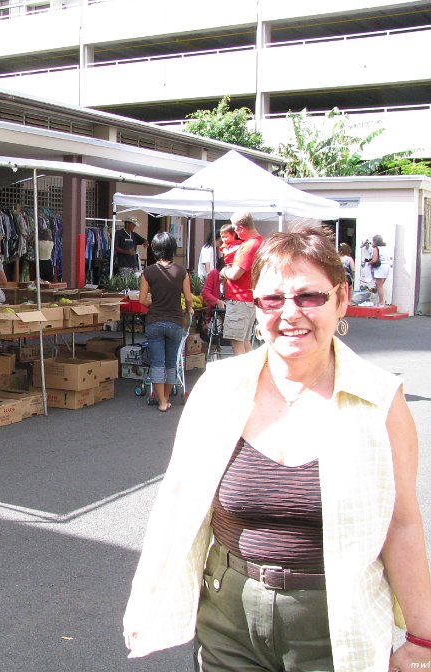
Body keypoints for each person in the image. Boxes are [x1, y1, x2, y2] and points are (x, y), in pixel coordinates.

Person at [122, 225, 431, 672]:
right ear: (256, 305)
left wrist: (422, 639)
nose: (290, 314)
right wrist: (148, 601)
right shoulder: (220, 389)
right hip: (229, 620)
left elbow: (401, 523)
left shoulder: (380, 399)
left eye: (309, 296)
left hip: (336, 621)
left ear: (341, 300)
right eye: (272, 299)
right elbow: (177, 504)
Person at [139, 232, 193, 413]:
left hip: (154, 322)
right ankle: (166, 398)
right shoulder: (182, 272)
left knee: (157, 362)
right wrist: (188, 311)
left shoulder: (148, 272)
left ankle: (161, 400)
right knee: (171, 363)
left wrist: (152, 303)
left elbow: (141, 300)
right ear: (172, 250)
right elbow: (189, 299)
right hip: (176, 322)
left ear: (154, 249)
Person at [218, 211, 262, 355]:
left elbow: (235, 274)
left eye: (235, 229)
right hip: (249, 298)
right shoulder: (260, 241)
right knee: (244, 340)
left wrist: (224, 271)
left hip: (240, 299)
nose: (235, 233)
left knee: (237, 342)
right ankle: (251, 374)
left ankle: (242, 376)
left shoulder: (249, 247)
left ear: (242, 227)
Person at [367, 234, 391, 307]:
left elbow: (374, 259)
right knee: (379, 285)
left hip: (380, 268)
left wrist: (368, 263)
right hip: (386, 267)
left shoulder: (376, 248)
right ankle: (379, 300)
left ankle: (381, 302)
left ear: (375, 241)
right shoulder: (385, 248)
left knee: (379, 286)